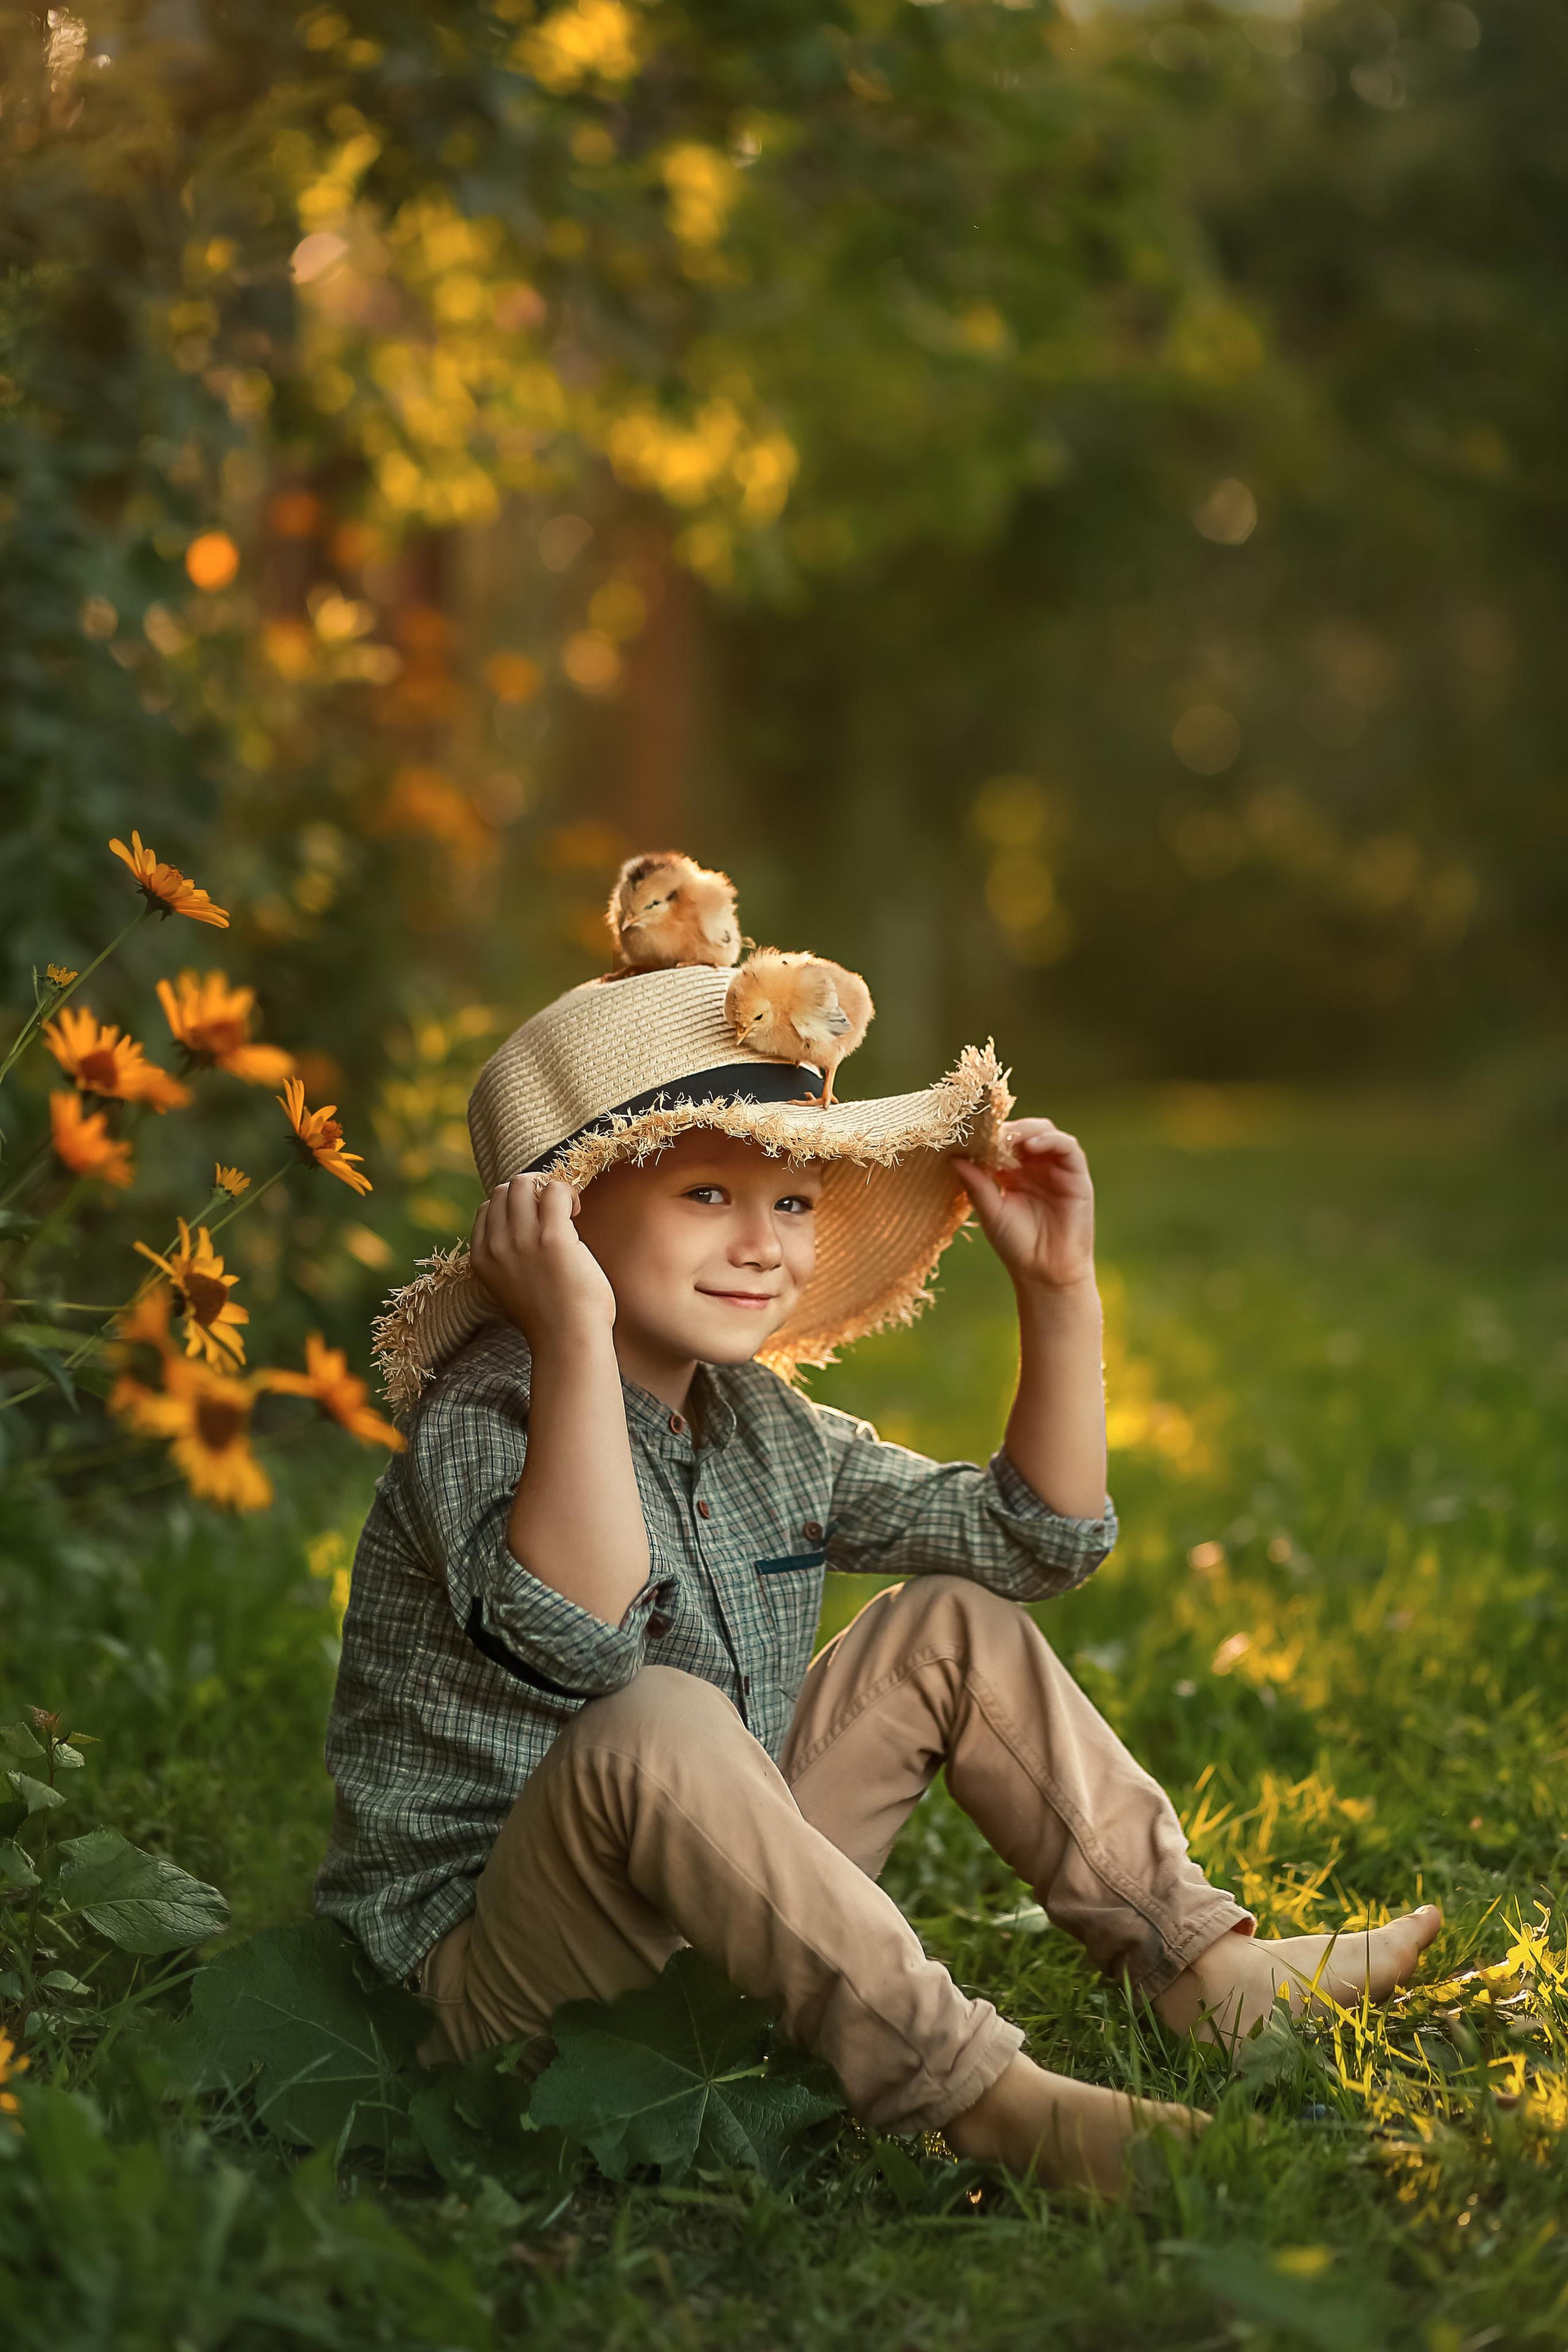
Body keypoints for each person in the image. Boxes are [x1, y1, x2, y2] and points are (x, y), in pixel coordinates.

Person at [318, 867, 1441, 2196]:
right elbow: (587, 1639)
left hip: (715, 1917)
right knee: (662, 1717)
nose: (763, 1246)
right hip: (495, 1989)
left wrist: (1058, 1296)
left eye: (789, 1203)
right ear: (559, 1218)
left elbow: (1033, 1543)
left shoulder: (757, 1423)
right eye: (703, 1197)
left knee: (953, 1624)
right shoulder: (483, 1415)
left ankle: (1202, 1970)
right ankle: (989, 2100)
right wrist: (567, 1327)